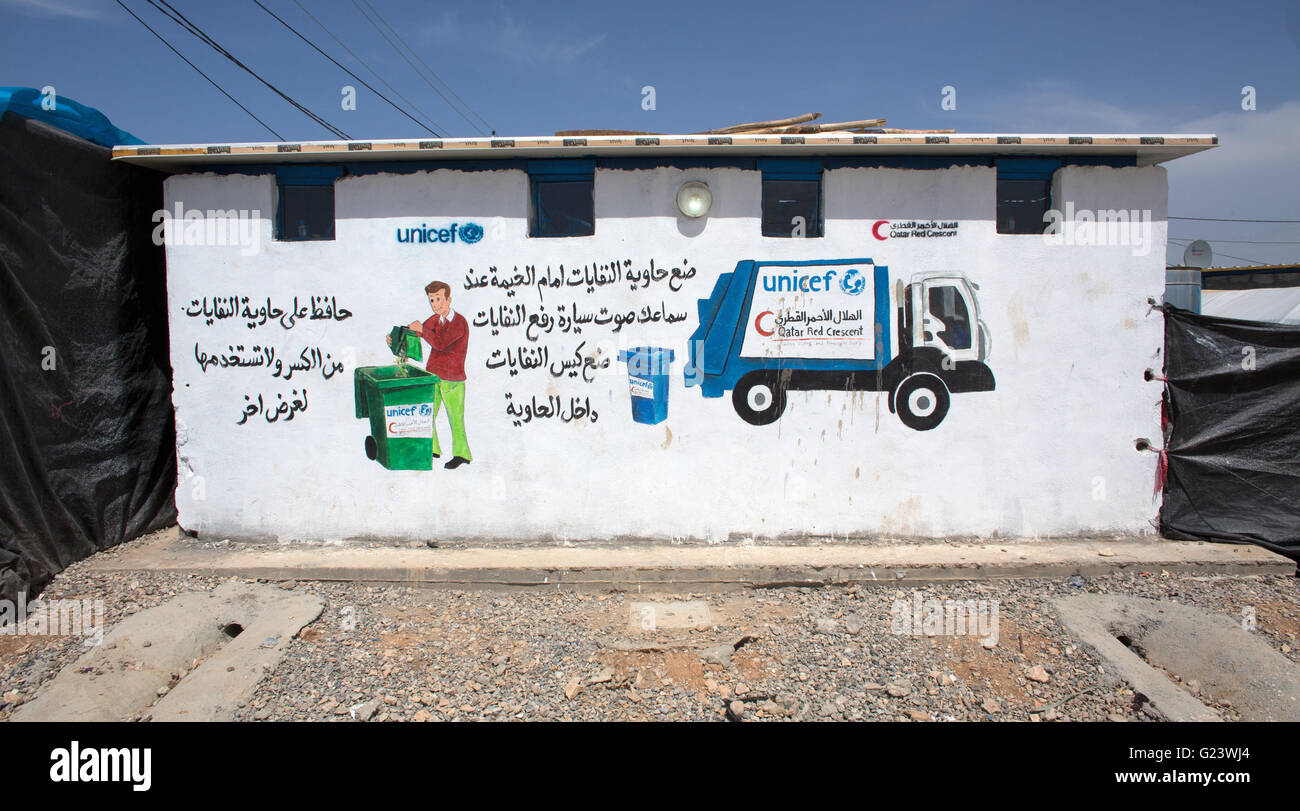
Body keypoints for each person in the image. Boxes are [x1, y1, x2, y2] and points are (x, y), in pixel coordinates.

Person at [408, 280, 471, 469]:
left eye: (438, 299)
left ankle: (462, 454)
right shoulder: (434, 321)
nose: (435, 304)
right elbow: (419, 332)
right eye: (432, 301)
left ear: (449, 299)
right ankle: (433, 448)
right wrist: (398, 335)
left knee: (455, 419)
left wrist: (421, 330)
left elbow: (440, 342)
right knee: (427, 414)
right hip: (433, 377)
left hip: (453, 380)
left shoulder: (459, 322)